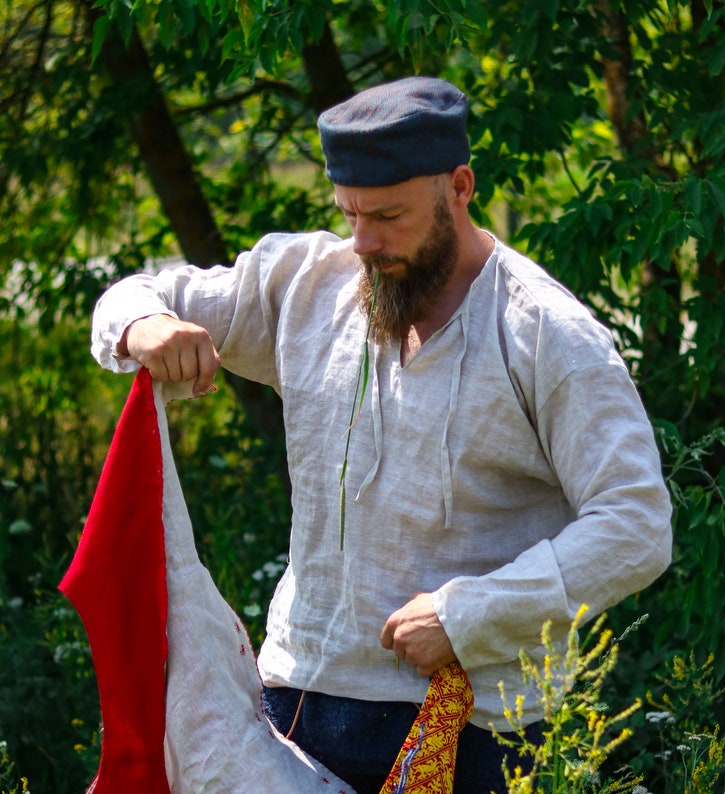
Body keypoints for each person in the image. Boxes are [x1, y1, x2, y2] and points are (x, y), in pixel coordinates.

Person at [91, 76, 673, 793]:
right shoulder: (307, 284)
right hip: (297, 700)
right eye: (351, 215)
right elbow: (131, 297)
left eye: (389, 217)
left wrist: (470, 614)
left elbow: (636, 524)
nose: (363, 242)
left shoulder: (545, 334)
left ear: (459, 187)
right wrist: (143, 326)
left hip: (474, 724)